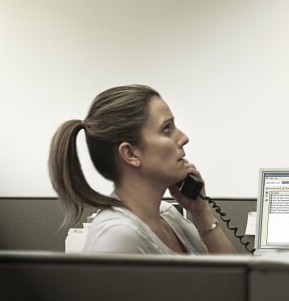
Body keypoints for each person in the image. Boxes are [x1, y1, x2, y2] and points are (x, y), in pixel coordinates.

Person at [49, 84, 236, 254]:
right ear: (130, 154)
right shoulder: (117, 237)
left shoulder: (168, 215)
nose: (183, 137)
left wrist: (201, 213)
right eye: (167, 128)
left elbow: (233, 281)